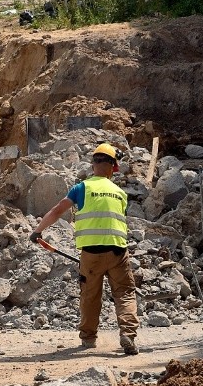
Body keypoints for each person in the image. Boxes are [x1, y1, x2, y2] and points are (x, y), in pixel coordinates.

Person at [29, 143, 139, 354]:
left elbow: (58, 210)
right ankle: (128, 334)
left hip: (91, 254)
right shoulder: (120, 193)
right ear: (113, 167)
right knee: (124, 293)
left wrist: (38, 231)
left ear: (93, 165)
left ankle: (88, 339)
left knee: (90, 295)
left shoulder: (82, 188)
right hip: (117, 252)